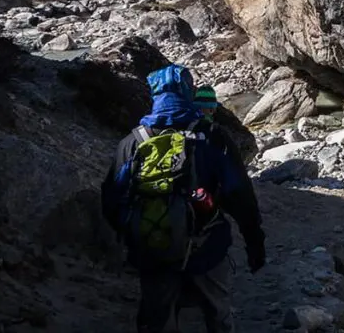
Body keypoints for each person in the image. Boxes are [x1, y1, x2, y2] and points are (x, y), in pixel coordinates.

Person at [101, 64, 265, 333]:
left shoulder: (133, 142)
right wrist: (254, 242)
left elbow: (112, 199)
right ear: (188, 93)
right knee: (218, 316)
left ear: (154, 95)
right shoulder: (212, 137)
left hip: (154, 246)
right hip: (207, 246)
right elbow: (240, 194)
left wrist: (135, 236)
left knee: (158, 320)